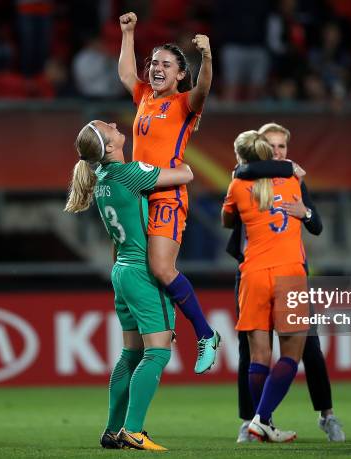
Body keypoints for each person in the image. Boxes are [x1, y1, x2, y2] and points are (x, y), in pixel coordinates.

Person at [65, 120, 195, 451]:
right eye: (107, 127)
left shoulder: (102, 179)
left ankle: (112, 431)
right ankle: (133, 430)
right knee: (158, 353)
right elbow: (185, 174)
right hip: (140, 272)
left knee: (131, 354)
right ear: (109, 147)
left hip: (121, 271)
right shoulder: (129, 173)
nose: (112, 123)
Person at [227, 123, 344, 443]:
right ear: (261, 149)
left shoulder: (242, 182)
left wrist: (305, 212)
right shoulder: (283, 178)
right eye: (272, 146)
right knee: (253, 353)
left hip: (276, 270)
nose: (278, 152)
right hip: (268, 269)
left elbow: (316, 224)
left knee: (310, 348)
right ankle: (257, 418)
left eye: (282, 147)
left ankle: (326, 414)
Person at [117, 12, 220, 374]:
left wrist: (206, 57)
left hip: (167, 195)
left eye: (165, 64)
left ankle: (206, 334)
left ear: (179, 74)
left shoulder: (183, 104)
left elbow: (204, 88)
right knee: (143, 270)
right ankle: (165, 322)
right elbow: (127, 74)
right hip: (137, 198)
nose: (156, 68)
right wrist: (127, 34)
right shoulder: (144, 95)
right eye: (154, 62)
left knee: (162, 267)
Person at [222, 131, 308, 443]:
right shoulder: (291, 180)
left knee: (259, 356)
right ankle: (262, 418)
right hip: (289, 272)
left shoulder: (237, 185)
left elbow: (227, 220)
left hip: (253, 274)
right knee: (291, 353)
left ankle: (263, 422)